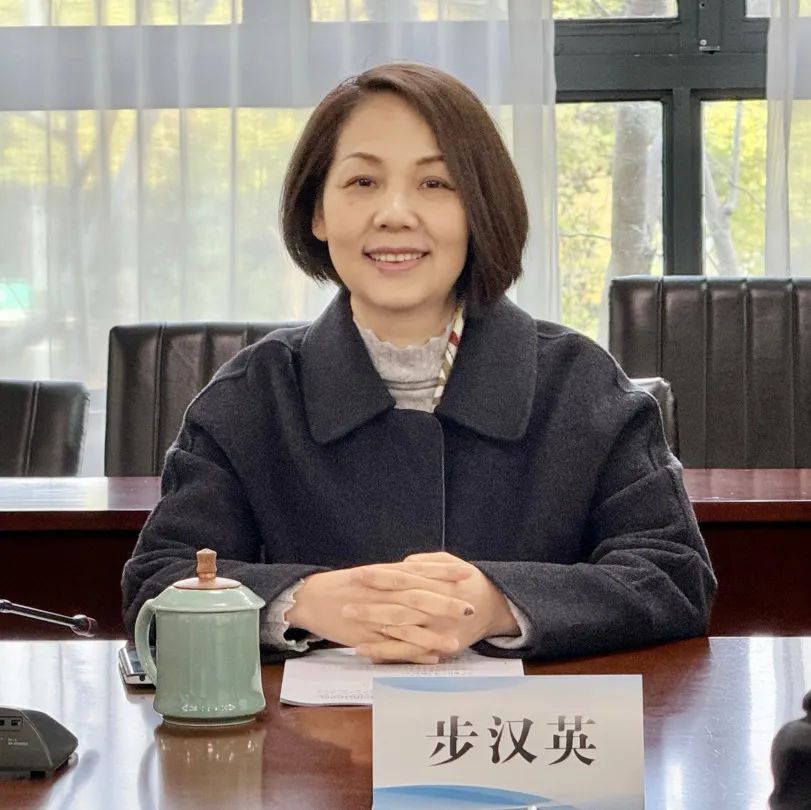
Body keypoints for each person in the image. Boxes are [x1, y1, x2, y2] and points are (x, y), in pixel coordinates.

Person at [122, 62, 716, 664]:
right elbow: (158, 580)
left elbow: (673, 574)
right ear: (318, 212)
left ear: (478, 208)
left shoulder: (581, 384)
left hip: (519, 725)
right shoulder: (251, 395)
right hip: (313, 726)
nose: (395, 213)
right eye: (362, 182)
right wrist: (301, 600)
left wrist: (498, 604)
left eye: (435, 183)